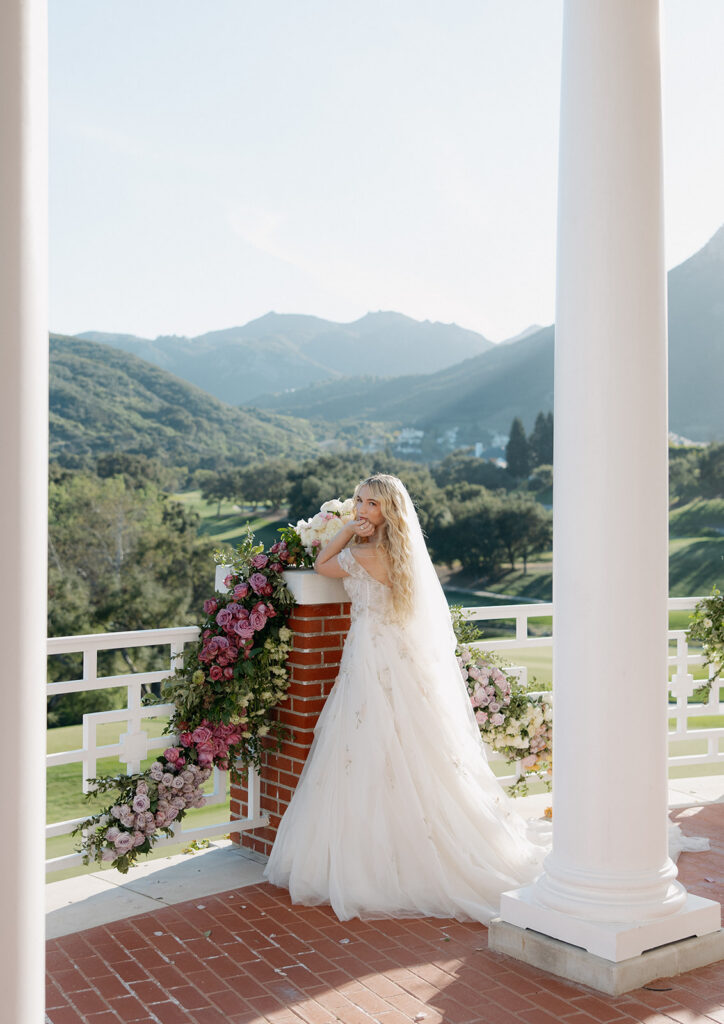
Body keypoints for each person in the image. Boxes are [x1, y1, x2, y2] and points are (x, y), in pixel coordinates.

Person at [263, 474, 547, 922]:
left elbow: (321, 565)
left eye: (371, 505)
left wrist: (341, 531)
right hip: (399, 655)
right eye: (358, 502)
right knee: (409, 746)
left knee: (368, 744)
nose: (361, 509)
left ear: (388, 512)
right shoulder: (404, 554)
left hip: (369, 656)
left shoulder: (362, 553)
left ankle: (386, 860)